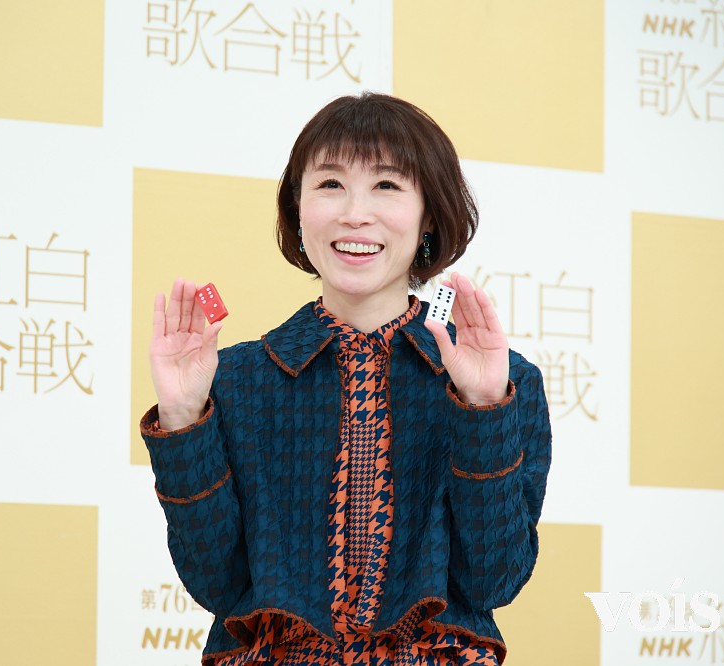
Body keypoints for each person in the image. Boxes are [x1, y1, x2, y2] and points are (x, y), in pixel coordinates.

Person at [141, 92, 552, 666]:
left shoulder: (505, 383)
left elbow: (492, 581)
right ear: (298, 208)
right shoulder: (234, 381)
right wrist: (184, 416)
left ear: (429, 215)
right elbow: (217, 585)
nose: (355, 213)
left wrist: (482, 409)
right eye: (330, 184)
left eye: (387, 185)